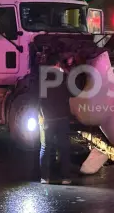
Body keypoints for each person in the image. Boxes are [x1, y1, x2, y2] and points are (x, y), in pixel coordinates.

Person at [38, 54, 73, 185]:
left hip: (47, 118)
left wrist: (42, 115)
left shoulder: (42, 77)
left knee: (45, 147)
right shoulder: (64, 77)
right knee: (63, 147)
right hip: (62, 117)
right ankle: (65, 178)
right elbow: (72, 93)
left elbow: (39, 99)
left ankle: (45, 177)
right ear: (58, 64)